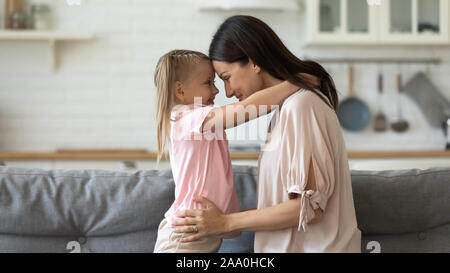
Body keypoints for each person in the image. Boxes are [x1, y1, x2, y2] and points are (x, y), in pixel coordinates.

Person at [171, 15, 362, 253]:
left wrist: (226, 222)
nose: (227, 93)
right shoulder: (285, 107)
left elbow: (308, 208)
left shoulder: (302, 105)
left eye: (226, 79)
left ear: (253, 61)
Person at [152, 49, 300, 253]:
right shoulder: (185, 117)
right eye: (208, 83)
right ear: (180, 91)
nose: (217, 91)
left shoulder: (198, 121)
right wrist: (295, 83)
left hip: (200, 230)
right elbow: (248, 109)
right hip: (185, 235)